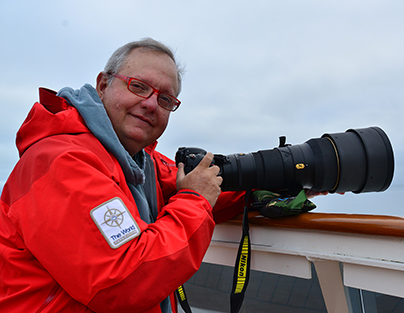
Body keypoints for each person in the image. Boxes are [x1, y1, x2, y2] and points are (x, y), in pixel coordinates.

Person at [0, 38, 247, 313]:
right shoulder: (62, 161)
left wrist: (269, 184)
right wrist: (195, 200)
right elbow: (124, 282)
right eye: (139, 87)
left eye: (165, 99)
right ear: (103, 85)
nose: (151, 104)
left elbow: (198, 185)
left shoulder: (137, 162)